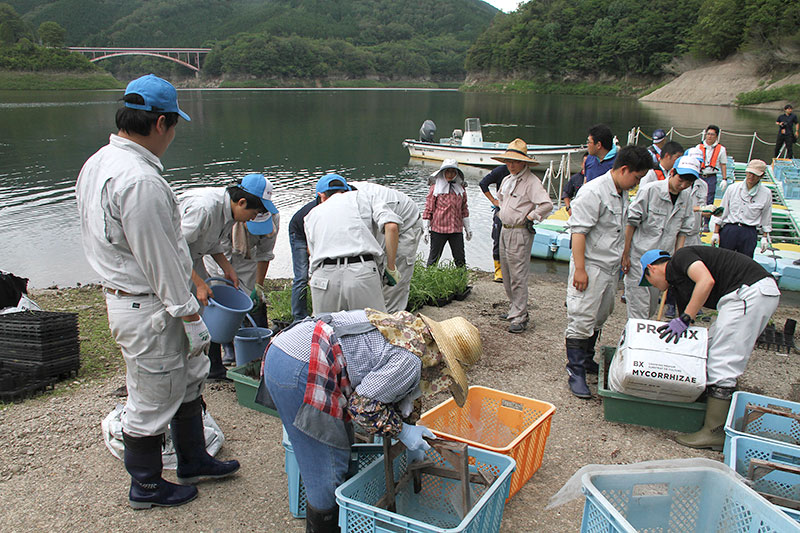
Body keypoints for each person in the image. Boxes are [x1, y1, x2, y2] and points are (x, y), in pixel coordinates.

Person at [75, 74, 238, 509]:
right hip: (150, 304)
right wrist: (189, 315)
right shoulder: (139, 180)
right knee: (152, 394)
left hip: (132, 298)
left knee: (185, 379)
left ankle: (192, 458)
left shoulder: (99, 162)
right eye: (174, 126)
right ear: (162, 122)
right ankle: (146, 483)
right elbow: (160, 258)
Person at [264, 309, 481, 532]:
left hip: (288, 348)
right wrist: (402, 432)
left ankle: (338, 515)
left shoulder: (410, 332)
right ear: (444, 363)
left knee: (337, 447)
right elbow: (363, 408)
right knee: (328, 467)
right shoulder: (410, 361)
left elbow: (383, 383)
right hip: (302, 367)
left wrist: (409, 424)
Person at [641, 246, 781, 449]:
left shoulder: (681, 258)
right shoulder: (680, 282)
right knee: (711, 346)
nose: (653, 286)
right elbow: (690, 331)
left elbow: (706, 281)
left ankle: (714, 432)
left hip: (748, 291)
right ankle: (724, 416)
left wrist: (686, 317)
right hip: (745, 294)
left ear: (652, 268)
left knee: (723, 360)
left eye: (648, 282)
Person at [564, 145, 653, 398]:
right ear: (624, 169)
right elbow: (579, 232)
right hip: (591, 265)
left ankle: (588, 358)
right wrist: (580, 270)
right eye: (636, 178)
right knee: (582, 317)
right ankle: (576, 371)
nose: (636, 184)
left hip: (610, 267)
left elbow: (619, 228)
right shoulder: (593, 191)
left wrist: (624, 255)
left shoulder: (621, 192)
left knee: (601, 315)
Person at [180, 174, 277, 378]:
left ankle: (200, 365)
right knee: (187, 308)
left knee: (202, 307)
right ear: (242, 202)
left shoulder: (228, 213)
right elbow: (173, 248)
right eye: (254, 212)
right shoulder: (204, 209)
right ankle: (190, 366)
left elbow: (213, 242)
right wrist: (198, 283)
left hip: (193, 257)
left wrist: (227, 268)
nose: (254, 217)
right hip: (172, 260)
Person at [304, 174, 401, 314]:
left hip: (323, 277)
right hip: (361, 273)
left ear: (321, 196)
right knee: (372, 328)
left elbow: (311, 252)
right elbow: (391, 227)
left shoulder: (311, 215)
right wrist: (391, 267)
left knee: (327, 331)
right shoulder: (364, 197)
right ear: (347, 190)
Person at [622, 154, 698, 319]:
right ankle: (635, 342)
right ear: (672, 173)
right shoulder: (650, 190)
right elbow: (631, 222)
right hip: (640, 258)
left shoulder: (686, 197)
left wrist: (677, 260)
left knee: (650, 308)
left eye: (689, 182)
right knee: (638, 309)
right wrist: (625, 253)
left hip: (663, 262)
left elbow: (684, 230)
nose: (683, 185)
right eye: (681, 180)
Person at [494, 139, 553, 334]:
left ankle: (520, 315)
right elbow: (501, 199)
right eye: (509, 161)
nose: (511, 165)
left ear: (524, 162)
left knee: (518, 274)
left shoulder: (531, 182)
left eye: (515, 162)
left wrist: (532, 216)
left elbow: (546, 204)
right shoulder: (507, 179)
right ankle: (514, 308)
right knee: (507, 273)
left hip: (520, 230)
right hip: (505, 229)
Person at [351, 181, 423, 313]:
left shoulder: (364, 202)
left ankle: (392, 320)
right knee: (375, 274)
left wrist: (391, 268)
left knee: (394, 284)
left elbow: (391, 228)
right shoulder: (339, 200)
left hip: (406, 225)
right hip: (385, 225)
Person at [713, 159, 773, 258]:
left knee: (745, 262)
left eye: (755, 174)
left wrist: (765, 237)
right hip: (730, 229)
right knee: (723, 260)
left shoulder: (766, 193)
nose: (751, 176)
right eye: (749, 173)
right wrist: (715, 232)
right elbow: (722, 211)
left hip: (749, 232)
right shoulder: (733, 188)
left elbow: (766, 216)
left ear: (761, 176)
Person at [423, 159, 471, 268]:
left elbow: (464, 209)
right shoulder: (435, 188)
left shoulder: (461, 189)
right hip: (438, 229)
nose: (450, 174)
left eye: (453, 172)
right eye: (448, 171)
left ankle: (461, 283)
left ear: (456, 173)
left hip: (456, 229)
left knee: (460, 258)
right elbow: (428, 209)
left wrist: (468, 228)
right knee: (434, 258)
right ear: (443, 172)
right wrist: (426, 229)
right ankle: (429, 282)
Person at [288, 197, 319, 322]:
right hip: (299, 233)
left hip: (310, 233)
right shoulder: (315, 209)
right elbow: (311, 247)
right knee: (301, 276)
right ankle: (299, 317)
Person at [479, 163, 511, 282]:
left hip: (516, 212)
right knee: (498, 239)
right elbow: (483, 183)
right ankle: (498, 270)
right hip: (501, 210)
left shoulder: (525, 174)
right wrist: (493, 200)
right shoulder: (501, 170)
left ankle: (510, 270)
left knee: (514, 242)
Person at [697, 125, 727, 206]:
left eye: (712, 134)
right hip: (700, 175)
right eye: (708, 134)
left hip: (711, 177)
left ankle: (707, 217)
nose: (709, 136)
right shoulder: (698, 147)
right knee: (696, 197)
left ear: (716, 136)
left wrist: (724, 179)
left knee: (709, 199)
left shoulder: (721, 149)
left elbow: (723, 164)